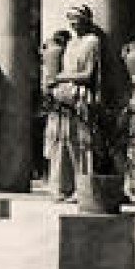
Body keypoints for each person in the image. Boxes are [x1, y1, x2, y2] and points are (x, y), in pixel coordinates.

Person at [49, 4, 106, 202]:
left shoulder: (92, 41)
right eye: (71, 18)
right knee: (63, 140)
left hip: (79, 94)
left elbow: (89, 73)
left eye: (77, 18)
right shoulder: (71, 42)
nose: (74, 23)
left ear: (86, 20)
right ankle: (63, 186)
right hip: (65, 93)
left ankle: (82, 187)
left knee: (80, 143)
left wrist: (61, 78)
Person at [40, 30, 76, 201]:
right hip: (59, 105)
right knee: (58, 147)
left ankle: (63, 186)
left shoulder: (60, 58)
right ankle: (59, 186)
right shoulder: (53, 56)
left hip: (64, 104)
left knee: (62, 148)